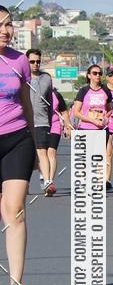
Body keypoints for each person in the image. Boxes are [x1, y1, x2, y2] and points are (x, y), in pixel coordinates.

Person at [0, 5, 37, 285]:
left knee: (15, 211)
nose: (5, 29)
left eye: (9, 24)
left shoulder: (20, 61)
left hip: (17, 138)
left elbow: (26, 104)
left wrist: (35, 147)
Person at [26, 49, 56, 196]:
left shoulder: (46, 78)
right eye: (32, 61)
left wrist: (50, 120)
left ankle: (47, 181)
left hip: (42, 122)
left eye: (38, 61)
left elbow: (50, 101)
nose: (36, 64)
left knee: (42, 152)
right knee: (27, 156)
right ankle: (26, 182)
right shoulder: (21, 77)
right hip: (24, 122)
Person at [72, 65, 113, 133]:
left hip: (102, 129)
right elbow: (76, 112)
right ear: (89, 75)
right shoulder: (83, 91)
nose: (97, 75)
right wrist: (93, 120)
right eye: (94, 73)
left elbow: (110, 109)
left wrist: (105, 118)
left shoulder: (106, 90)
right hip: (85, 128)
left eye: (100, 73)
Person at [48, 87, 71, 185]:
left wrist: (68, 127)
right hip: (40, 126)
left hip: (55, 126)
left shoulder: (56, 95)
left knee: (51, 152)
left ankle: (49, 181)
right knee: (41, 154)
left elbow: (64, 112)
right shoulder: (34, 93)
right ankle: (44, 176)